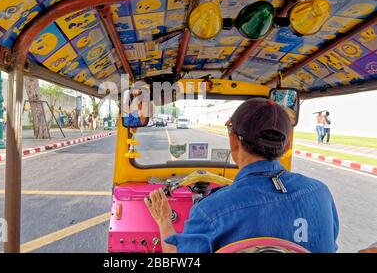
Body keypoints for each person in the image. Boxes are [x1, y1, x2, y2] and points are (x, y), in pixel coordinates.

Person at [145, 98, 339, 253]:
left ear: (233, 141)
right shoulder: (321, 194)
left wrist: (164, 220)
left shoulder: (210, 211)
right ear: (286, 146)